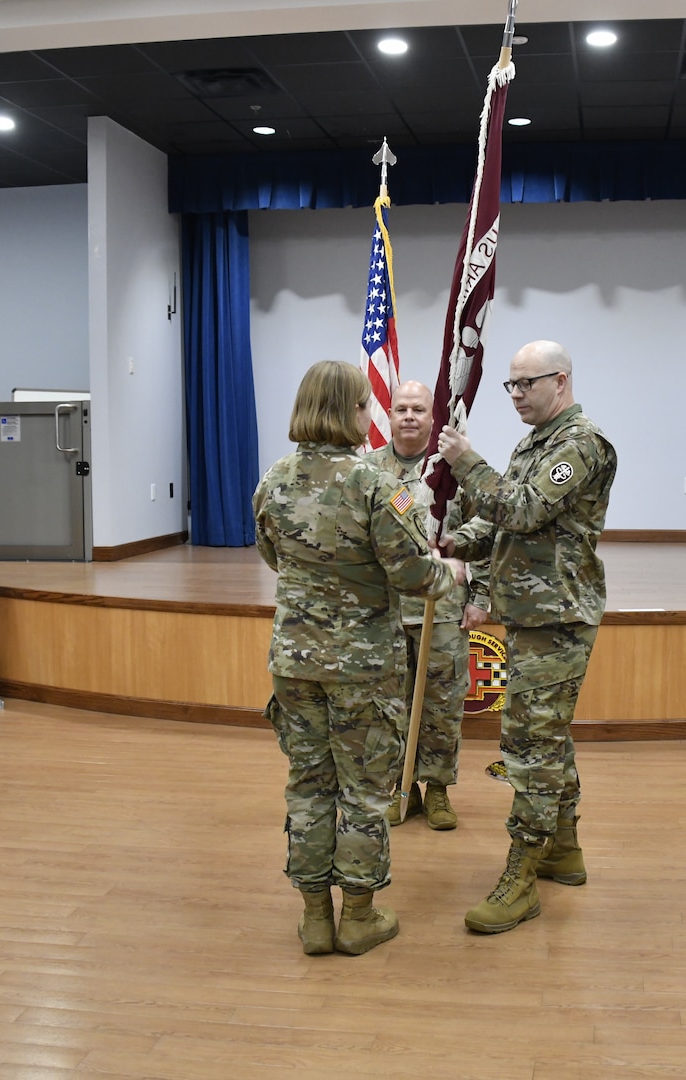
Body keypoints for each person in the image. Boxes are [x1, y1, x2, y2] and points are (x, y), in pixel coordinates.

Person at [254, 361, 467, 957]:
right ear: (348, 410)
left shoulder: (274, 479)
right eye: (362, 406)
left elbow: (272, 553)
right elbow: (410, 572)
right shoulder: (376, 484)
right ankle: (358, 916)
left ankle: (315, 917)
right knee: (364, 790)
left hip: (294, 663)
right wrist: (447, 573)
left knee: (309, 784)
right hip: (362, 668)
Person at [436, 340, 617, 934]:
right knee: (547, 735)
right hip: (532, 614)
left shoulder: (580, 444)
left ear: (559, 381)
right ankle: (563, 849)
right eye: (509, 386)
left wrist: (466, 462)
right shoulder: (535, 443)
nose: (514, 395)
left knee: (529, 746)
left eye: (524, 384)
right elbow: (494, 523)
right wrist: (444, 541)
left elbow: (525, 507)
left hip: (558, 617)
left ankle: (522, 875)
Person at [363, 381, 491, 831]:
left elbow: (488, 530)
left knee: (442, 702)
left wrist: (482, 597)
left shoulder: (451, 469)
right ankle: (403, 788)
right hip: (389, 611)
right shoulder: (369, 470)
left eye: (419, 409)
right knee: (391, 704)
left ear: (432, 418)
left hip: (444, 608)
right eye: (402, 409)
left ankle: (436, 789)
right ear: (390, 415)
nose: (410, 416)